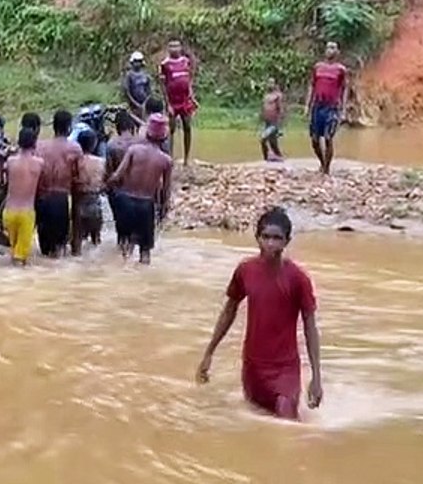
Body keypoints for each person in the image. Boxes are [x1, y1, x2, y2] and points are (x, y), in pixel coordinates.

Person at [195, 207, 323, 421]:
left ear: (287, 241)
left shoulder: (298, 279)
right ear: (257, 238)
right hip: (253, 366)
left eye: (277, 238)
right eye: (265, 237)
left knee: (287, 422)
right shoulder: (246, 271)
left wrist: (316, 377)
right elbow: (229, 310)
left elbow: (310, 326)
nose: (271, 243)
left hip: (285, 369)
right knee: (257, 421)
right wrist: (209, 353)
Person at [106, 114, 173, 265]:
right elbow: (166, 191)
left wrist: (106, 185)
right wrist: (164, 208)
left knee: (125, 245)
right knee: (145, 250)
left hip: (126, 201)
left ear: (147, 134)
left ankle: (121, 273)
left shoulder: (134, 150)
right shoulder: (166, 160)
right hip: (146, 205)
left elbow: (118, 175)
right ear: (163, 138)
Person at [36, 110, 83, 258]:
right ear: (69, 128)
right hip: (60, 199)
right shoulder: (74, 148)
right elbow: (79, 178)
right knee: (59, 251)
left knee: (44, 251)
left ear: (53, 127)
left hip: (41, 200)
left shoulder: (39, 146)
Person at [305, 41, 349, 175]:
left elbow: (345, 88)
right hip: (317, 106)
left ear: (337, 52)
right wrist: (307, 105)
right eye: (328, 48)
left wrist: (344, 109)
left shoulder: (341, 69)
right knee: (314, 140)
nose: (330, 50)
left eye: (333, 48)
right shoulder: (318, 67)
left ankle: (326, 169)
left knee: (328, 138)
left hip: (332, 107)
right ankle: (322, 162)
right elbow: (311, 85)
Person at [3, 127, 44, 266]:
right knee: (20, 259)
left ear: (19, 142)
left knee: (14, 253)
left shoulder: (10, 162)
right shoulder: (39, 163)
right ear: (34, 143)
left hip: (9, 212)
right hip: (26, 213)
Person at [105, 110, 140, 254]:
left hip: (119, 193)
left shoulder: (112, 145)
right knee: (135, 232)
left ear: (117, 127)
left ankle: (121, 254)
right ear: (132, 126)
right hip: (138, 192)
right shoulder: (140, 143)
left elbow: (109, 171)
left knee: (121, 230)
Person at [160, 39, 197, 167]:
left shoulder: (185, 62)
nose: (174, 48)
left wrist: (191, 96)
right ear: (168, 49)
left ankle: (186, 158)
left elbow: (189, 80)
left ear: (181, 47)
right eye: (171, 46)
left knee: (187, 127)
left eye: (177, 46)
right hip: (172, 101)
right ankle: (169, 157)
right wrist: (167, 104)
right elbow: (163, 85)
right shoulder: (165, 64)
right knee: (171, 130)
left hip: (185, 100)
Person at [71, 128, 106, 255]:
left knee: (76, 246)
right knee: (96, 243)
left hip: (79, 204)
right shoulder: (101, 162)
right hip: (95, 203)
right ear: (94, 144)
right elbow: (105, 184)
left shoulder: (75, 162)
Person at [121, 52, 152, 120]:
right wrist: (135, 104)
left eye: (139, 61)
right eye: (136, 61)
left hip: (145, 104)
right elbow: (127, 91)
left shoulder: (146, 75)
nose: (137, 63)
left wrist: (146, 103)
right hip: (133, 105)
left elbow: (149, 90)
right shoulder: (129, 75)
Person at [260, 78, 285, 162]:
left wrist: (280, 125)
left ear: (275, 84)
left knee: (263, 138)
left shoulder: (277, 96)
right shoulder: (265, 95)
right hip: (267, 122)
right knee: (273, 143)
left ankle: (266, 157)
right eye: (268, 83)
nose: (269, 85)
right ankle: (277, 158)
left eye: (271, 83)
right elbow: (263, 108)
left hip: (274, 123)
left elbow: (281, 109)